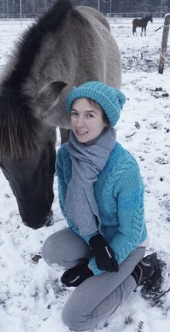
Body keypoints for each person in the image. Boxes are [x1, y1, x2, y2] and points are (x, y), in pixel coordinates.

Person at [41, 81, 165, 331]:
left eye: (89, 115)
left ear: (106, 120)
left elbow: (130, 232)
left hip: (128, 245)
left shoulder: (124, 169)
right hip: (95, 236)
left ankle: (140, 272)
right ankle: (106, 274)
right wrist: (95, 240)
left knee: (75, 319)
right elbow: (69, 208)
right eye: (75, 114)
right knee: (52, 251)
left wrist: (90, 269)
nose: (79, 123)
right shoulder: (66, 155)